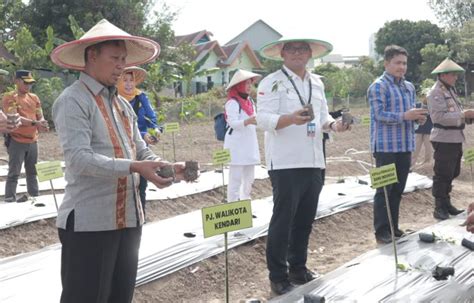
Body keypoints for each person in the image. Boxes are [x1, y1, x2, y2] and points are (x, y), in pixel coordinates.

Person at [50, 19, 185, 303]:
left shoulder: (122, 105)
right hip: (91, 222)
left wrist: (167, 166)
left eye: (124, 59)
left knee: (119, 296)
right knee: (86, 297)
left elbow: (140, 150)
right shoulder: (73, 100)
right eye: (114, 58)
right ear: (92, 56)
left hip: (129, 219)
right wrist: (135, 167)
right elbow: (78, 159)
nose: (121, 66)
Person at [257, 37, 350, 295]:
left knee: (305, 219)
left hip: (314, 159)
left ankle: (298, 267)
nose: (297, 53)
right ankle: (278, 275)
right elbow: (262, 119)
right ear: (282, 53)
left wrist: (335, 125)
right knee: (283, 220)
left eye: (302, 49)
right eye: (291, 49)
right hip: (286, 162)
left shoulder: (316, 82)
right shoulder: (271, 82)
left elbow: (322, 117)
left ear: (310, 53)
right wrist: (290, 119)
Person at [368, 45, 428, 244]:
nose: (401, 67)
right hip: (385, 146)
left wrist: (417, 119)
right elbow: (378, 115)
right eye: (397, 63)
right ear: (386, 63)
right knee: (384, 190)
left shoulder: (408, 87)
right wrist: (405, 116)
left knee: (398, 189)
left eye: (404, 63)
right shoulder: (378, 86)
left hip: (404, 145)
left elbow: (410, 114)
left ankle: (394, 227)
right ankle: (381, 231)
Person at [427, 58, 474, 220]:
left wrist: (468, 116)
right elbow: (439, 117)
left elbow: (456, 114)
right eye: (453, 75)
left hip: (455, 137)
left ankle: (446, 203)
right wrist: (463, 114)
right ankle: (439, 207)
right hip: (444, 137)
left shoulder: (450, 91)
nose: (456, 78)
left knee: (453, 171)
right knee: (442, 173)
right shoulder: (436, 93)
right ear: (443, 75)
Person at [117, 66, 159, 216]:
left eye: (131, 80)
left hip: (141, 147)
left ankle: (141, 214)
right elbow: (120, 126)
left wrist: (155, 131)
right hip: (121, 146)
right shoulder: (114, 99)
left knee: (142, 182)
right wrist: (142, 133)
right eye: (125, 80)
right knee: (124, 182)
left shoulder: (141, 97)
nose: (128, 84)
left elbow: (152, 118)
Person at [2, 70, 49, 203]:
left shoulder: (34, 98)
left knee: (32, 172)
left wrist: (43, 123)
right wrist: (35, 123)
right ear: (16, 81)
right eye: (25, 82)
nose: (28, 86)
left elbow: (40, 115)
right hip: (17, 139)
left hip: (33, 140)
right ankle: (10, 198)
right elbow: (14, 117)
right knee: (14, 173)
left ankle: (34, 196)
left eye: (30, 83)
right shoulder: (9, 97)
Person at [224, 69, 261, 202]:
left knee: (249, 179)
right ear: (238, 85)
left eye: (250, 83)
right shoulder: (232, 102)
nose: (249, 86)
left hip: (249, 144)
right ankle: (233, 205)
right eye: (246, 84)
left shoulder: (250, 101)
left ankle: (245, 205)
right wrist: (248, 121)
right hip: (236, 146)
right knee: (235, 179)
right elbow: (232, 123)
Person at [411, 90, 433, 168]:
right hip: (418, 131)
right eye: (424, 96)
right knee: (415, 148)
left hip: (428, 130)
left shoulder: (432, 107)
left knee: (428, 149)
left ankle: (426, 164)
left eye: (427, 97)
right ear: (421, 97)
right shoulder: (416, 105)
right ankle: (411, 164)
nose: (426, 98)